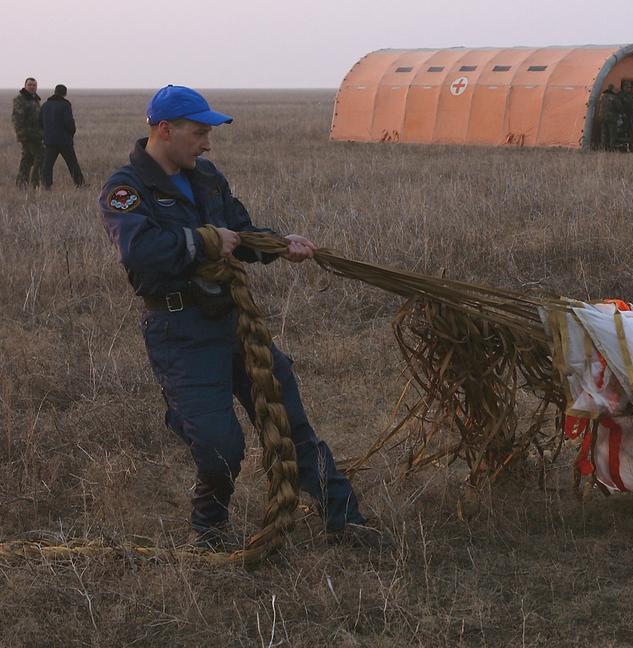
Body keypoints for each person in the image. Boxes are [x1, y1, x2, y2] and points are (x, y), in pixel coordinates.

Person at [98, 85, 384, 550]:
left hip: (235, 323)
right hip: (180, 333)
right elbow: (140, 252)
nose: (207, 143)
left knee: (289, 423)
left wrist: (278, 244)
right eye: (199, 133)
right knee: (219, 448)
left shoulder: (207, 177)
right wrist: (205, 242)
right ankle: (209, 526)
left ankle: (344, 518)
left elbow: (241, 232)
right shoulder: (127, 189)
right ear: (165, 130)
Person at [40, 84, 85, 189]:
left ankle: (46, 185)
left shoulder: (45, 105)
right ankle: (80, 184)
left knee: (47, 165)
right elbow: (69, 122)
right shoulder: (65, 105)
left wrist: (46, 133)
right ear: (65, 93)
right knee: (72, 163)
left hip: (50, 140)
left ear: (55, 91)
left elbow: (40, 122)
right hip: (64, 141)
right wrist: (71, 132)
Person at [12, 77, 43, 188]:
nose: (32, 87)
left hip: (37, 134)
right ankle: (34, 184)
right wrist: (21, 135)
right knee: (40, 157)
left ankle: (22, 184)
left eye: (34, 85)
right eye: (30, 85)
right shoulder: (21, 99)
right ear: (25, 86)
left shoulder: (35, 99)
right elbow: (17, 119)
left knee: (27, 159)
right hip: (28, 135)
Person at [595, 84, 621, 151]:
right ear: (612, 89)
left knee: (604, 133)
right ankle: (611, 149)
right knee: (612, 134)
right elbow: (619, 107)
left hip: (602, 117)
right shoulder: (614, 97)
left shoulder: (602, 96)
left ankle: (603, 148)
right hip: (611, 118)